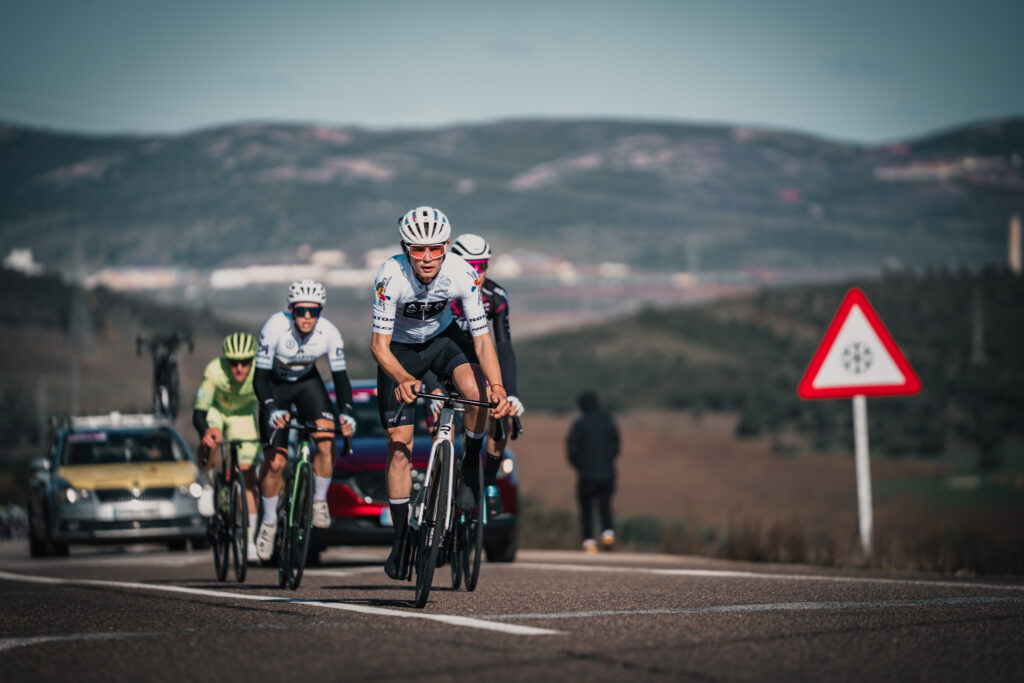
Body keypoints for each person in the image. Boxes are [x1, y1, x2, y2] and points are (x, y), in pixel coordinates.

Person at [371, 206, 512, 579]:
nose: (429, 257)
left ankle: (468, 466)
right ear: (406, 248)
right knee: (399, 449)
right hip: (398, 352)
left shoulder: (462, 274)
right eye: (418, 250)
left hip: (442, 341)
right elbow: (379, 347)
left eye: (436, 248)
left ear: (447, 246)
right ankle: (402, 540)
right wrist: (402, 378)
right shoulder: (390, 276)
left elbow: (482, 341)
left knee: (476, 394)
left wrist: (497, 388)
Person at [253, 280, 356, 561]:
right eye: (301, 311)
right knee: (275, 462)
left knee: (325, 439)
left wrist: (346, 413)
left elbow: (341, 379)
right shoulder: (274, 327)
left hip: (307, 383)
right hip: (275, 385)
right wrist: (272, 409)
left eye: (314, 311)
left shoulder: (329, 333)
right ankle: (270, 522)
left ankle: (319, 500)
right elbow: (259, 378)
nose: (308, 318)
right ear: (291, 310)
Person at [448, 233, 524, 516]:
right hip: (446, 363)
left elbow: (503, 345)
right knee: (436, 424)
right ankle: (437, 488)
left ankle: (489, 483)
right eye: (471, 266)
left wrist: (511, 392)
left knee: (501, 414)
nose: (477, 273)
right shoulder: (443, 293)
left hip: (479, 365)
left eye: (482, 266)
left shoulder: (495, 296)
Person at [193, 332, 261, 562]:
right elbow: (198, 413)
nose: (240, 368)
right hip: (218, 413)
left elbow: (269, 404)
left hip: (243, 417)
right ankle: (208, 484)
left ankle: (250, 540)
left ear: (253, 360)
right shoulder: (214, 370)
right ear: (226, 361)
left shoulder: (260, 370)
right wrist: (206, 432)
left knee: (248, 475)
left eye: (245, 362)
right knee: (212, 436)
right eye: (234, 362)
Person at [567, 389, 620, 553]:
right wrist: (608, 461)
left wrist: (581, 466)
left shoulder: (579, 424)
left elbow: (572, 451)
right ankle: (608, 534)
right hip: (607, 473)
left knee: (586, 508)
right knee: (605, 504)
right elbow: (616, 446)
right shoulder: (608, 420)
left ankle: (589, 542)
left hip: (587, 475)